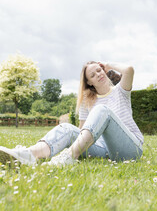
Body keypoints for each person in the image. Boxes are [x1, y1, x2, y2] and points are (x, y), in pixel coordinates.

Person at [0, 61, 144, 166]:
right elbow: (81, 132)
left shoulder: (121, 91)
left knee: (102, 110)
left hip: (131, 149)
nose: (98, 74)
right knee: (67, 128)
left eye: (99, 70)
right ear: (90, 83)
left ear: (104, 71)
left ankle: (69, 157)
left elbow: (129, 70)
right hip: (105, 151)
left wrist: (108, 65)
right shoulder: (87, 102)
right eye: (93, 75)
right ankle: (28, 155)